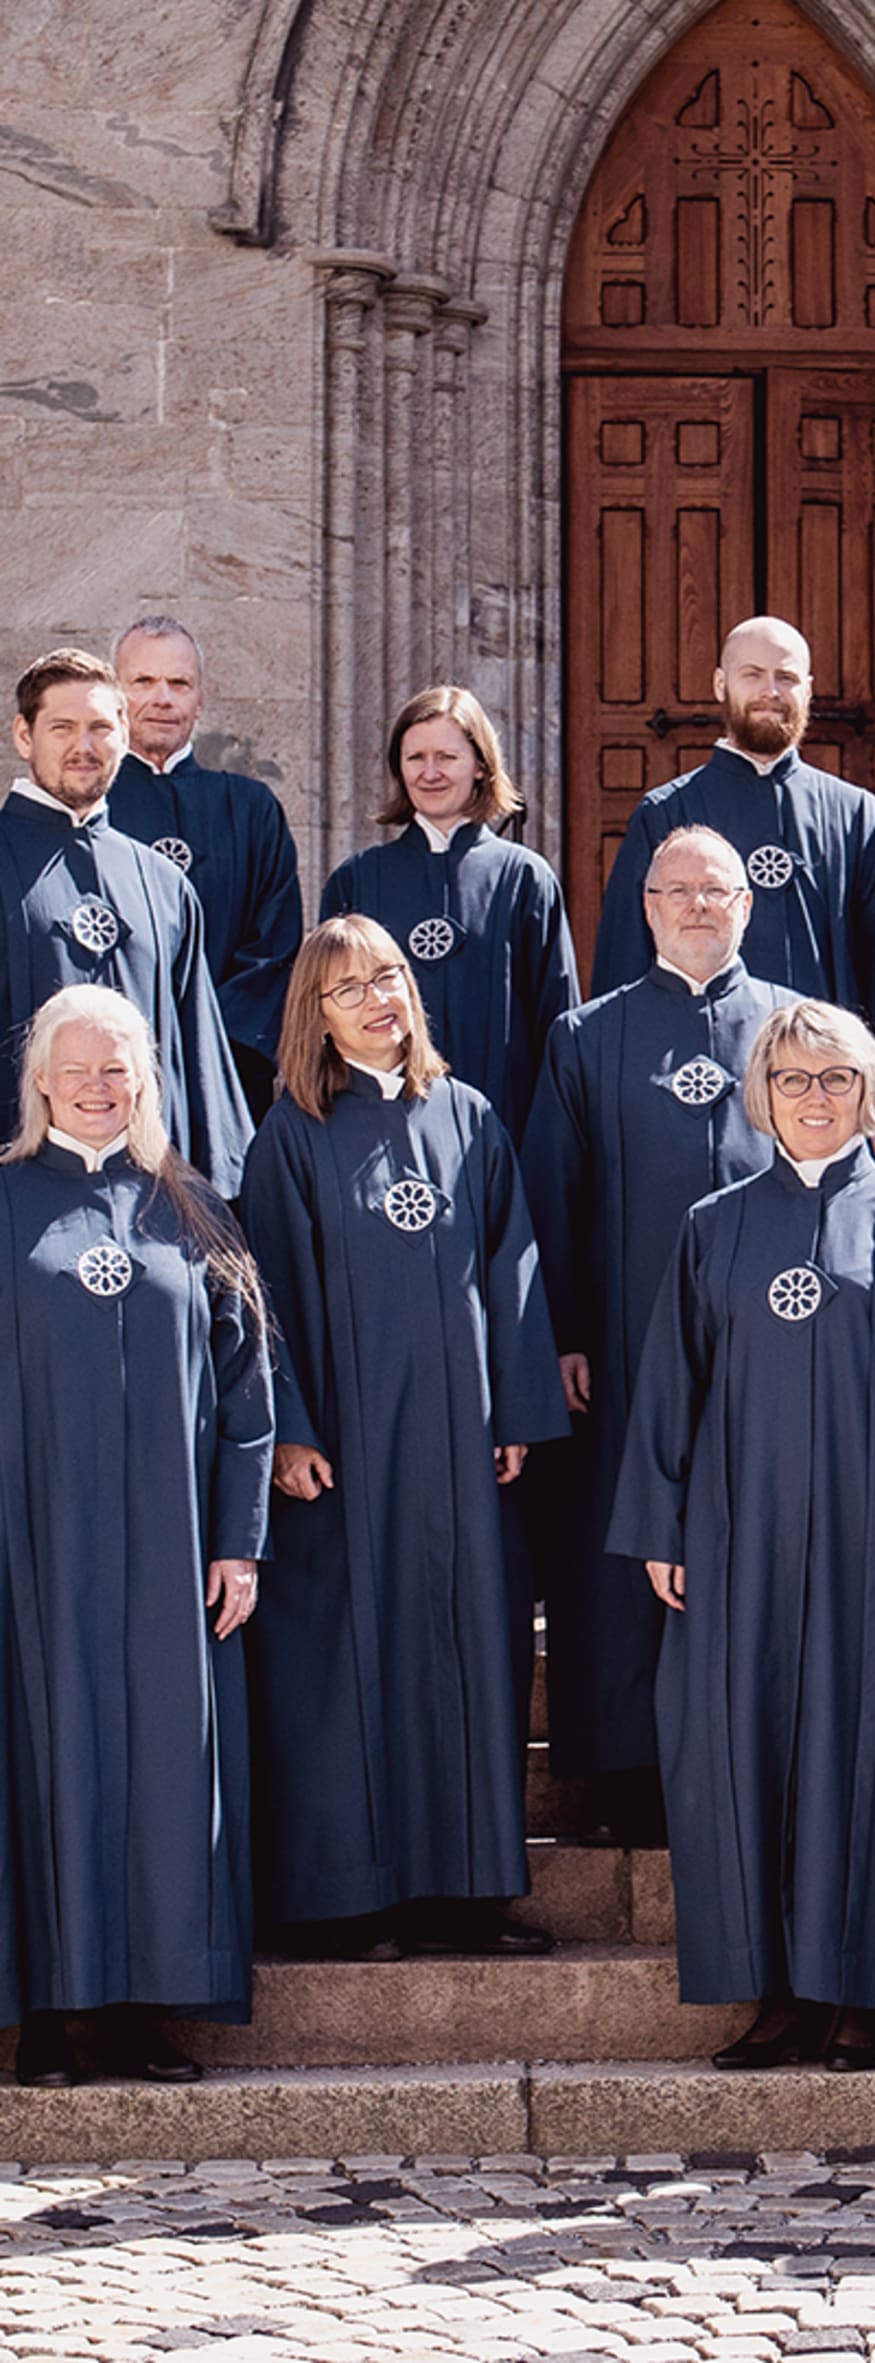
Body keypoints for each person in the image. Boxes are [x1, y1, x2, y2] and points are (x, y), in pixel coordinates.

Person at [610, 1000, 875, 2074]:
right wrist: (663, 1522)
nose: (813, 1096)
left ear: (870, 1094)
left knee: (871, 1754)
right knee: (748, 1750)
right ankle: (775, 1990)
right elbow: (670, 1386)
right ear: (760, 1095)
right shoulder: (715, 1224)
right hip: (740, 1538)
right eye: (791, 1078)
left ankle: (863, 1993)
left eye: (834, 1078)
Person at [240, 916, 571, 1961]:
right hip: (346, 1449)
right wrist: (286, 1427)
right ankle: (353, 1898)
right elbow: (266, 1295)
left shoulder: (469, 1116)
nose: (378, 998)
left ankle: (465, 1889)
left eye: (388, 976)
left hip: (460, 1450)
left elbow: (512, 1268)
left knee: (464, 1651)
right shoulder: (292, 1132)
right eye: (350, 989)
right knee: (349, 1662)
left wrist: (517, 1408)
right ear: (318, 1016)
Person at [0, 987, 269, 2087]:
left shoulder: (191, 1205)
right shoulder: (8, 1200)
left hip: (172, 1542)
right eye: (82, 1068)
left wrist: (238, 1541)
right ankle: (56, 2016)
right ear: (42, 1080)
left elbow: (251, 1382)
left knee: (165, 1768)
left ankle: (146, 2008)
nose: (103, 1086)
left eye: (122, 1067)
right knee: (51, 1761)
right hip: (36, 1545)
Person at [520, 826, 793, 1834]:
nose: (698, 905)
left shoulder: (794, 1033)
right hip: (627, 1349)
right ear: (645, 905)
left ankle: (750, 1752)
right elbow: (556, 1192)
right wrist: (566, 1335)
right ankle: (625, 1771)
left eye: (718, 889)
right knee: (624, 1549)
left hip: (768, 1348)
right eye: (677, 889)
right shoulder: (588, 1036)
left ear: (747, 906)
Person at [589, 615, 875, 1034]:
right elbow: (626, 961)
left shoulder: (858, 816)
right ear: (720, 685)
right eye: (752, 675)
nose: (771, 692)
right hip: (698, 1072)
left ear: (808, 689)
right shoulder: (664, 813)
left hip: (824, 1079)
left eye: (786, 677)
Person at [1, 649, 251, 1193]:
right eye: (62, 727)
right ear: (25, 736)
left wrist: (215, 1202)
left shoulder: (164, 886)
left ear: (123, 735)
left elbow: (198, 1057)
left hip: (149, 1202)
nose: (83, 746)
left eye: (100, 728)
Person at [321, 686, 579, 1144]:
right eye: (415, 757)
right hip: (379, 1130)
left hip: (505, 1127)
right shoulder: (358, 879)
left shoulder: (523, 878)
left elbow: (556, 1021)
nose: (430, 772)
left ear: (481, 765)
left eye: (447, 757)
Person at [107, 617, 303, 1106]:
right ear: (114, 694)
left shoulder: (251, 809)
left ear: (201, 700)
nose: (163, 698)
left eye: (179, 683)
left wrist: (208, 1050)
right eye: (144, 682)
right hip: (107, 1078)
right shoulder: (88, 808)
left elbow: (274, 949)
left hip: (225, 1077)